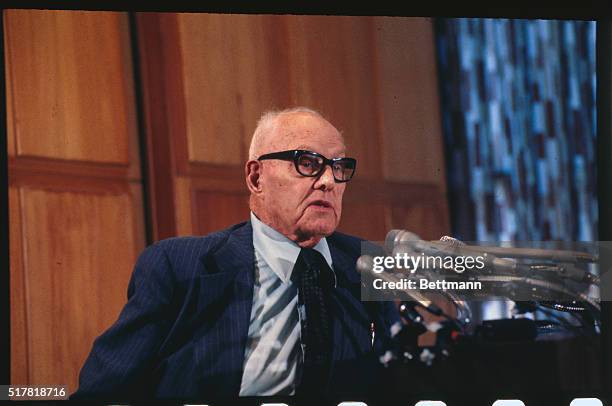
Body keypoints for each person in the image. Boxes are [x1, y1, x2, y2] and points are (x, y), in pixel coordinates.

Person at [72, 107, 399, 401]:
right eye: (307, 164)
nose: (328, 181)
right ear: (256, 177)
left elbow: (397, 386)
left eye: (338, 167)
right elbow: (102, 394)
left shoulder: (368, 265)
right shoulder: (179, 266)